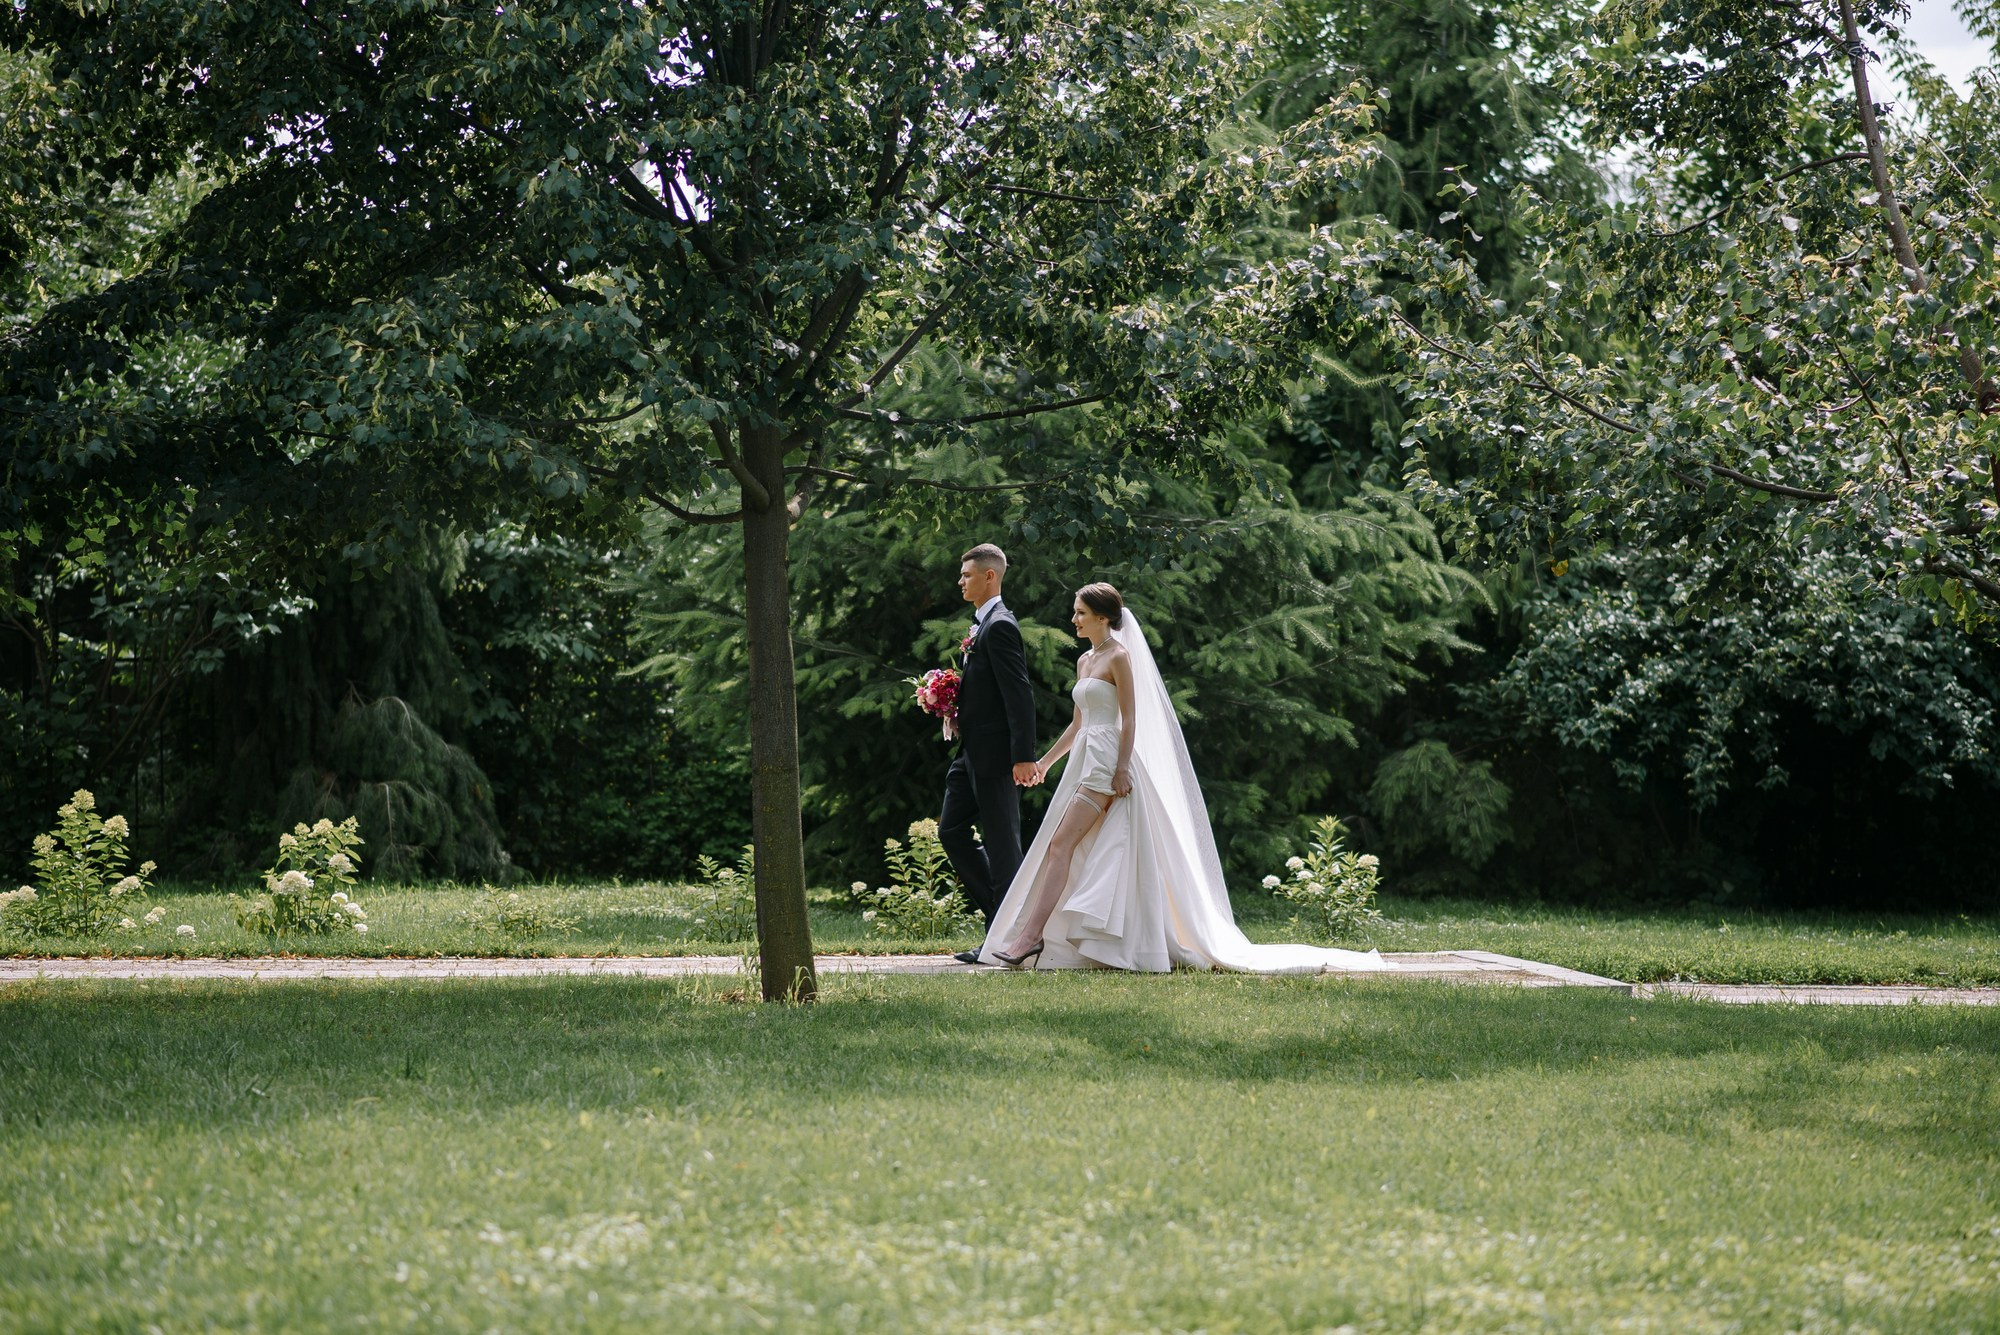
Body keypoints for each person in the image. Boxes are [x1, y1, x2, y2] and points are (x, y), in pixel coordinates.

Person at [983, 583, 1392, 975]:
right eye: (1075, 612)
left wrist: (1123, 767)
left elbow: (1130, 719)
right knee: (1069, 847)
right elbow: (1078, 723)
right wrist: (1046, 762)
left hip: (1106, 763)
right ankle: (1061, 938)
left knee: (1060, 845)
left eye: (1081, 613)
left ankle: (1031, 937)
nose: (1073, 619)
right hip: (1085, 759)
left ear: (1104, 618)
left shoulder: (1119, 658)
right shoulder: (1085, 660)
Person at [937, 544, 1039, 963]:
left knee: (1003, 847)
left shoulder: (1000, 626)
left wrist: (1024, 755)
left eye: (966, 575)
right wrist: (950, 703)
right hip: (970, 751)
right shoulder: (980, 625)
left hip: (997, 755)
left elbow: (1020, 694)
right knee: (951, 830)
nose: (960, 581)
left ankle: (1013, 939)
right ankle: (1002, 923)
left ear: (989, 577)